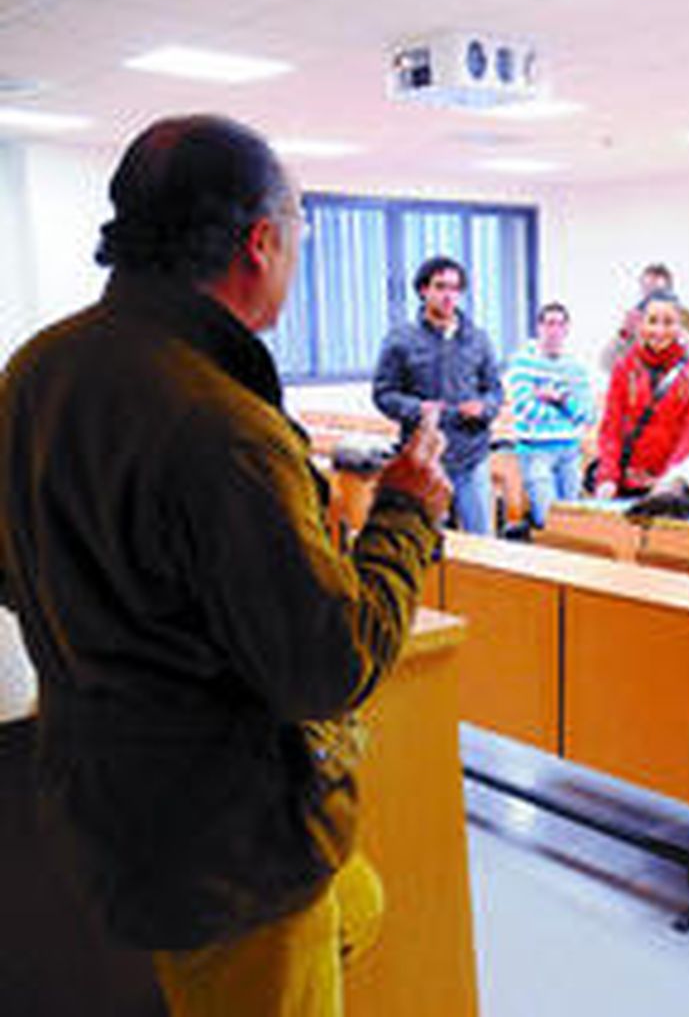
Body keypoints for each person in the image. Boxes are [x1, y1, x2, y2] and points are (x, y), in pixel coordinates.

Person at [0, 114, 452, 1016]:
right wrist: (406, 510)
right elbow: (332, 665)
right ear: (260, 242)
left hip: (111, 803)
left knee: (354, 903)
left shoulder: (35, 372)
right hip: (231, 848)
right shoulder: (224, 427)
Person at [373, 255, 502, 534]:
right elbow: (383, 393)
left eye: (455, 289)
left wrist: (484, 408)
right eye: (441, 287)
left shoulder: (478, 338)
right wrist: (417, 408)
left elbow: (495, 390)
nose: (448, 296)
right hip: (425, 459)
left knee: (483, 542)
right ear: (423, 290)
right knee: (427, 544)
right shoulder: (401, 339)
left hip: (472, 455)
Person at [593, 293, 689, 499]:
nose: (659, 331)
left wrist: (669, 480)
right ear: (641, 324)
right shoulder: (624, 367)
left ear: (680, 326)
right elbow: (611, 428)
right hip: (626, 482)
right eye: (652, 321)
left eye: (668, 322)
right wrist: (607, 478)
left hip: (670, 486)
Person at [504, 301, 595, 528]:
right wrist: (566, 409)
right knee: (547, 521)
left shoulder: (575, 368)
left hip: (570, 450)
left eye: (560, 324)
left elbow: (586, 414)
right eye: (549, 323)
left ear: (567, 330)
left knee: (574, 524)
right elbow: (525, 408)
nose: (554, 330)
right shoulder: (522, 362)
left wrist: (559, 399)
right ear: (539, 328)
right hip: (535, 450)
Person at [599, 262, 674, 377]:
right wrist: (624, 333)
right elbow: (606, 364)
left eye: (658, 294)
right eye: (646, 292)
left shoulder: (684, 318)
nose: (651, 299)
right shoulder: (636, 324)